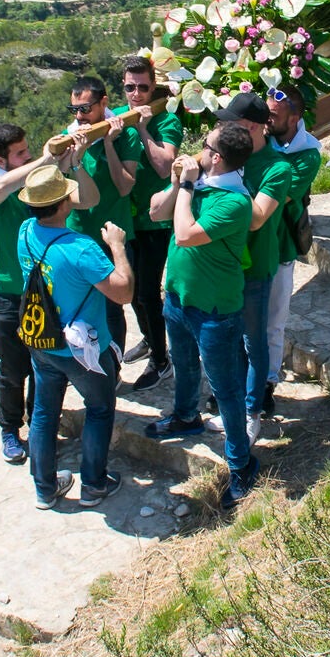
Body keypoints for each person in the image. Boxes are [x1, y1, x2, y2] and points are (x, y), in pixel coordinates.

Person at [147, 124, 260, 506]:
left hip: (214, 310)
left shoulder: (235, 201)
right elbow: (156, 210)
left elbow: (184, 234)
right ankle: (184, 415)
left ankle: (242, 463)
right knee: (182, 362)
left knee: (225, 388)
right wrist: (179, 182)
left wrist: (189, 187)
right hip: (178, 296)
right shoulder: (197, 185)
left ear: (216, 157)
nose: (198, 149)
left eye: (204, 145)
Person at [0, 123, 98, 465]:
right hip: (9, 294)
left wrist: (74, 163)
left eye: (28, 150)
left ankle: (39, 426)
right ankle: (10, 430)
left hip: (47, 294)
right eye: (20, 153)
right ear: (1, 158)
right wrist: (45, 160)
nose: (27, 156)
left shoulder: (36, 181)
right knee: (13, 369)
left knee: (46, 367)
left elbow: (85, 200)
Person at [13, 166, 134, 511]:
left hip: (42, 341)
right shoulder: (81, 248)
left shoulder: (24, 232)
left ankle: (45, 488)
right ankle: (94, 485)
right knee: (98, 409)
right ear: (65, 204)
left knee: (43, 412)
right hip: (83, 350)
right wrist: (117, 247)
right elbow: (123, 293)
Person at [219, 92, 296, 430]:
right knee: (230, 338)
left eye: (229, 123)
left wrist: (224, 181)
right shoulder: (227, 157)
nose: (222, 128)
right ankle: (234, 405)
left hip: (257, 266)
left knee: (255, 339)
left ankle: (253, 410)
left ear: (251, 127)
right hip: (224, 265)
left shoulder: (278, 168)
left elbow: (256, 218)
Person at [116, 56, 180, 390]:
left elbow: (162, 167)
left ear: (153, 86)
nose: (136, 94)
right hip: (127, 217)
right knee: (133, 292)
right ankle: (149, 337)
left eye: (143, 87)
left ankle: (161, 359)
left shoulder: (166, 121)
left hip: (155, 221)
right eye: (130, 87)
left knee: (147, 292)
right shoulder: (117, 117)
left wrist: (142, 129)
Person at [66, 76, 144, 350]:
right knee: (80, 305)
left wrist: (109, 144)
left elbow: (124, 187)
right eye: (74, 109)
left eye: (85, 108)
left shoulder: (127, 135)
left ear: (103, 103)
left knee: (113, 309)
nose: (79, 116)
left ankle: (114, 367)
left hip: (112, 235)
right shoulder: (71, 135)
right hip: (77, 234)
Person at [260, 86, 322, 416]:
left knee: (273, 321)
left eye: (274, 115)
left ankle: (267, 381)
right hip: (253, 245)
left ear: (294, 118)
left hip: (281, 245)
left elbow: (277, 199)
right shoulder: (262, 138)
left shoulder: (308, 154)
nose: (266, 120)